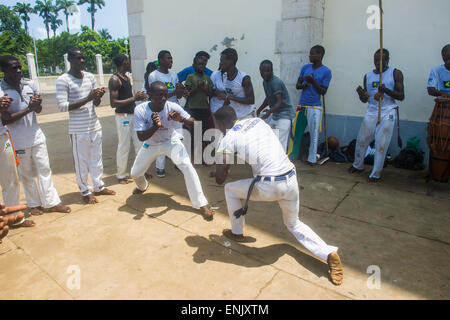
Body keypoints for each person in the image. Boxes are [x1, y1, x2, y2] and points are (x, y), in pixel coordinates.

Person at [212, 106, 343, 286]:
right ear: (235, 116)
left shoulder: (227, 139)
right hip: (290, 179)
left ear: (219, 123)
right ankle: (329, 254)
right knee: (294, 223)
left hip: (269, 185)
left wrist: (218, 169)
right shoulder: (256, 121)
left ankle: (237, 232)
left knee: (229, 189)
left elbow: (220, 179)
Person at [130, 81, 215, 221]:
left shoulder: (173, 106)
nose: (163, 98)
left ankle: (202, 204)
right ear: (150, 95)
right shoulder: (140, 110)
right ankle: (142, 185)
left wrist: (180, 119)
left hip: (171, 142)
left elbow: (194, 124)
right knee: (135, 173)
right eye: (159, 95)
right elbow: (141, 137)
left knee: (187, 167)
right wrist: (155, 127)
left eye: (165, 95)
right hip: (150, 144)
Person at [0, 56, 71, 216]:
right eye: (13, 68)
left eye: (19, 67)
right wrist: (29, 108)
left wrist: (37, 104)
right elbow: (5, 119)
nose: (18, 71)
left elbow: (37, 110)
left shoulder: (29, 84)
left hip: (36, 135)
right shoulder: (2, 90)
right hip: (17, 140)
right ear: (4, 70)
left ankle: (51, 202)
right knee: (25, 174)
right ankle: (33, 204)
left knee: (45, 169)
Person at [56, 48, 116, 204]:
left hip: (94, 125)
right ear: (69, 60)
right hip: (78, 129)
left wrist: (97, 97)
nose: (82, 61)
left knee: (96, 159)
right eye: (78, 58)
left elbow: (95, 103)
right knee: (81, 162)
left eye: (83, 58)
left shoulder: (90, 77)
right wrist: (88, 98)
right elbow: (62, 106)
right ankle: (85, 191)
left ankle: (99, 186)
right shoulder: (63, 80)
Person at [350, 49, 405, 182]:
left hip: (388, 110)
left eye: (382, 60)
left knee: (381, 142)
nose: (378, 63)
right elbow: (366, 99)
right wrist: (361, 94)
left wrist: (385, 90)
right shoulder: (367, 76)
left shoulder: (395, 73)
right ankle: (358, 165)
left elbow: (401, 96)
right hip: (372, 110)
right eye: (376, 60)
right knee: (362, 139)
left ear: (387, 60)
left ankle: (376, 173)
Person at [109, 54, 148, 184]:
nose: (129, 62)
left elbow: (129, 97)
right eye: (128, 60)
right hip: (122, 117)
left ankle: (140, 171)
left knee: (139, 144)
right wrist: (134, 98)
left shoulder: (126, 77)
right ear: (124, 62)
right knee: (124, 146)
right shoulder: (115, 79)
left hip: (132, 115)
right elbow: (113, 103)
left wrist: (139, 98)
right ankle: (121, 175)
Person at [0, 86, 35, 229]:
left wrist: (3, 107)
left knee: (11, 180)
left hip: (2, 136)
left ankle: (14, 218)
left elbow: (6, 116)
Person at [147, 50, 185, 178]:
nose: (171, 61)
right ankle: (160, 168)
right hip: (161, 110)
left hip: (174, 110)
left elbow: (178, 95)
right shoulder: (153, 75)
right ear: (161, 60)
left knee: (178, 138)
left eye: (171, 58)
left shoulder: (174, 75)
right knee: (162, 138)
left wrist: (180, 91)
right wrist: (174, 92)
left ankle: (178, 163)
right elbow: (156, 96)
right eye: (168, 58)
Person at [295, 45, 332, 166]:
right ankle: (294, 155)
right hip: (302, 105)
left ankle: (312, 159)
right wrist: (304, 84)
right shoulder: (305, 68)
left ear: (319, 55)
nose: (309, 56)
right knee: (297, 131)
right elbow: (297, 85)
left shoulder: (326, 71)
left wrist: (313, 82)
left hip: (315, 107)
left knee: (314, 133)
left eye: (312, 54)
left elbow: (323, 91)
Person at [257, 60, 296, 153]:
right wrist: (259, 109)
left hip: (285, 116)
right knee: (270, 140)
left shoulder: (276, 82)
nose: (264, 73)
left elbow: (279, 102)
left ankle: (281, 165)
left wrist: (268, 113)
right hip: (275, 115)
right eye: (262, 71)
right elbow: (268, 97)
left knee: (280, 145)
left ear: (272, 70)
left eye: (267, 71)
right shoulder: (265, 82)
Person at [185, 56, 214, 160]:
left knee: (204, 133)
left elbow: (211, 93)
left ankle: (204, 157)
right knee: (192, 134)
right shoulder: (190, 77)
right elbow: (187, 94)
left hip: (204, 109)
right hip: (193, 109)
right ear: (194, 65)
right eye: (198, 64)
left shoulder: (207, 78)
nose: (201, 66)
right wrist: (197, 88)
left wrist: (204, 88)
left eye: (203, 64)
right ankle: (191, 157)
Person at [220, 48, 255, 120]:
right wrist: (220, 111)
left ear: (230, 61)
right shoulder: (224, 77)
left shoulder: (244, 78)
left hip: (247, 116)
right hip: (234, 117)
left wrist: (232, 98)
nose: (220, 63)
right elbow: (228, 98)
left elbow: (251, 100)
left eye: (222, 60)